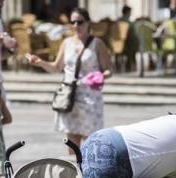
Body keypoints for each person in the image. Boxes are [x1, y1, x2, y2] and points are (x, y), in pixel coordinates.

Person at [26, 8, 112, 149]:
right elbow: (56, 67)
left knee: (91, 143)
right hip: (70, 97)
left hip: (90, 97)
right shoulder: (67, 43)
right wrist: (40, 62)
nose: (76, 26)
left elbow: (109, 70)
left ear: (88, 23)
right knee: (72, 143)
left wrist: (100, 76)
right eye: (73, 22)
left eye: (80, 22)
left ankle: (88, 171)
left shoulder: (97, 43)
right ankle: (74, 170)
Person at [119, 5, 138, 71]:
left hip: (122, 43)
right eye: (130, 12)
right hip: (126, 43)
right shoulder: (128, 22)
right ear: (127, 12)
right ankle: (132, 64)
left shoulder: (119, 20)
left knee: (133, 42)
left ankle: (130, 64)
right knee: (134, 42)